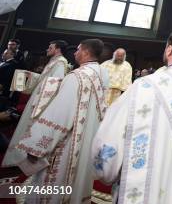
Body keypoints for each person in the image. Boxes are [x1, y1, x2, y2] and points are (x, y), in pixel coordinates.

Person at [91, 30, 172, 203]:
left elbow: (112, 136)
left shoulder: (143, 85)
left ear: (169, 50)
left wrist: (106, 172)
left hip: (143, 188)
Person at [15, 39, 108, 204]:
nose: (75, 52)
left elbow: (59, 115)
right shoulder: (102, 73)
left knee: (55, 182)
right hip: (87, 138)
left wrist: (36, 146)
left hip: (68, 144)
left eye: (78, 49)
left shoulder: (76, 77)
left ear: (86, 52)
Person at [2, 40, 69, 168]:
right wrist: (31, 75)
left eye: (50, 47)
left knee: (28, 128)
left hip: (40, 102)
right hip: (36, 98)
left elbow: (54, 84)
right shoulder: (54, 61)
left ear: (58, 49)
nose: (47, 49)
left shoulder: (60, 62)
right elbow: (45, 80)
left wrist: (41, 105)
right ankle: (17, 157)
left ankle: (21, 159)